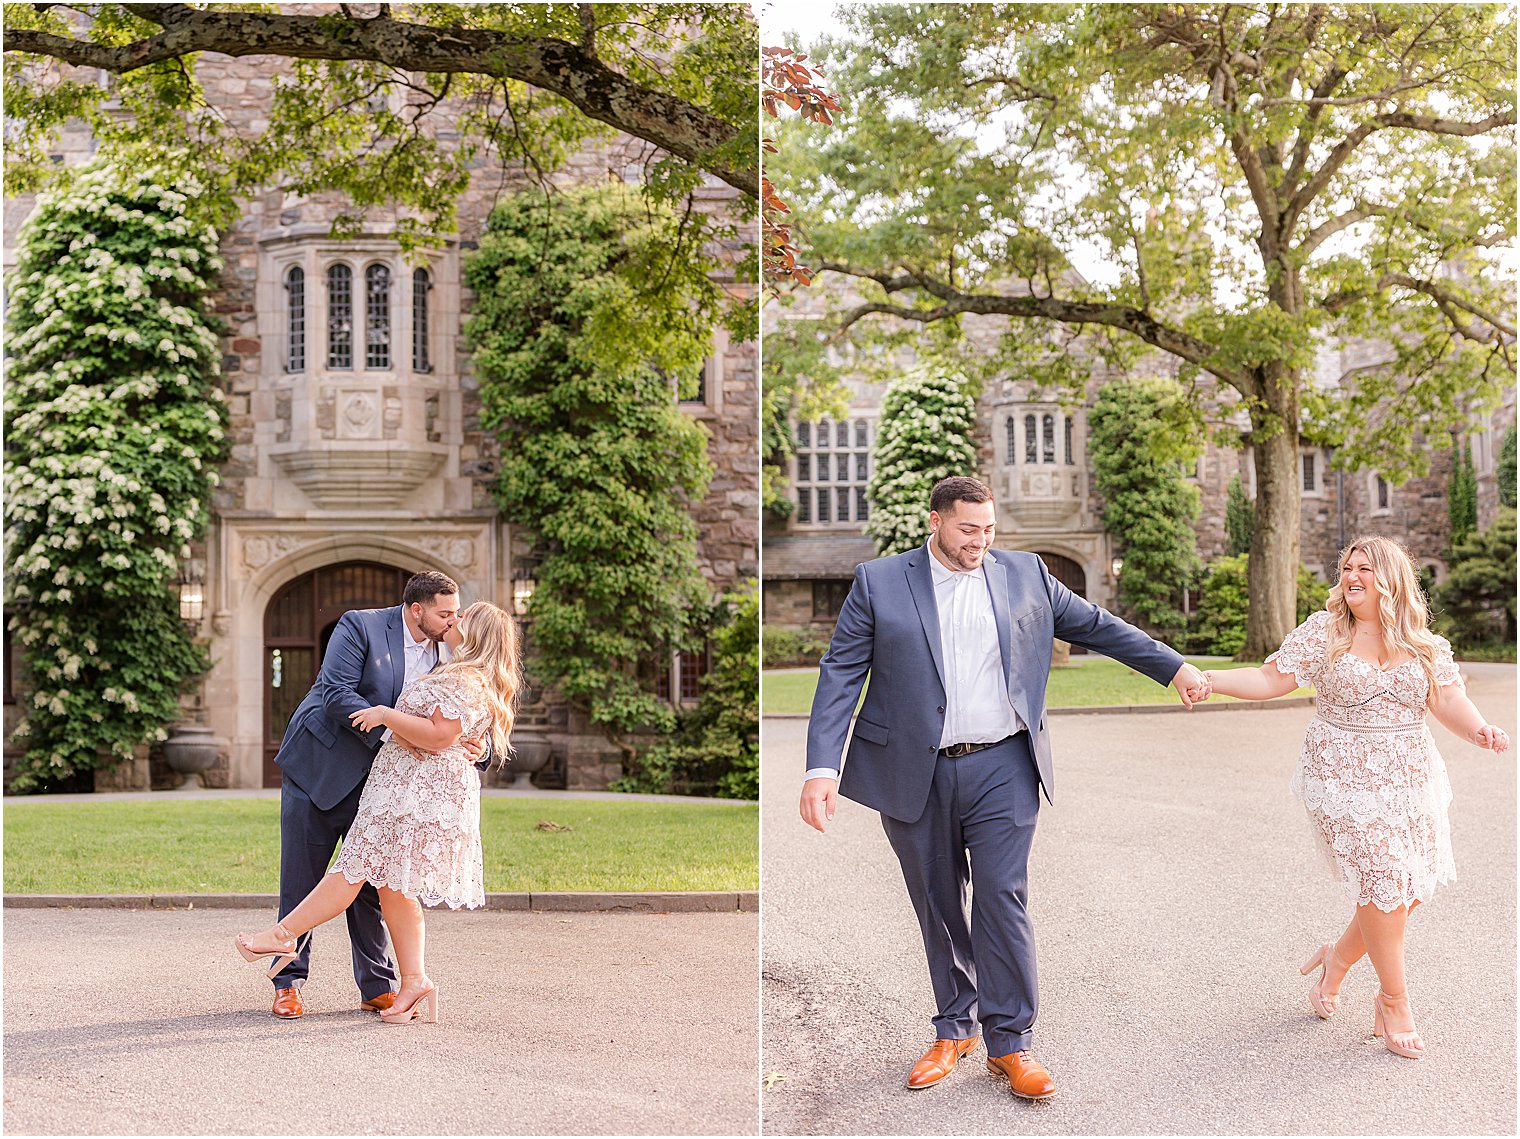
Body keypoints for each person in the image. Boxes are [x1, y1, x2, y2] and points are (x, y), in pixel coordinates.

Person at [799, 476, 1208, 1100]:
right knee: (938, 901)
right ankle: (953, 1026)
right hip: (916, 770)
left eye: (989, 530)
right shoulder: (879, 582)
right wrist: (821, 769)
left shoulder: (1026, 574)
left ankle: (1011, 1042)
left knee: (1001, 896)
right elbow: (840, 674)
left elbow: (1098, 625)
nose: (980, 542)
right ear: (934, 521)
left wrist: (1172, 665)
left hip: (1004, 765)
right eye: (968, 530)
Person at [1200, 535, 1509, 1060]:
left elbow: (1449, 698)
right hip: (1342, 776)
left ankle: (1337, 959)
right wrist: (1209, 679)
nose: (1352, 576)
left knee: (1406, 887)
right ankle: (1394, 999)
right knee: (1385, 879)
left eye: (1365, 568)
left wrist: (1480, 729)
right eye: (1347, 567)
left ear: (1391, 578)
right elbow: (1270, 678)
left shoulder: (1422, 643)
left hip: (1410, 777)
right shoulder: (1326, 633)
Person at [237, 600, 520, 1024]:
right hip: (350, 775)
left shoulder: (461, 670)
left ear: (476, 633)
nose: (453, 620)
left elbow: (446, 732)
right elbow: (337, 694)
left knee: (356, 874)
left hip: (410, 795)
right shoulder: (368, 629)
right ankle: (405, 981)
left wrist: (396, 719)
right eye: (448, 613)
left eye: (461, 615)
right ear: (419, 608)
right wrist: (422, 732)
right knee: (386, 886)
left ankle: (294, 944)